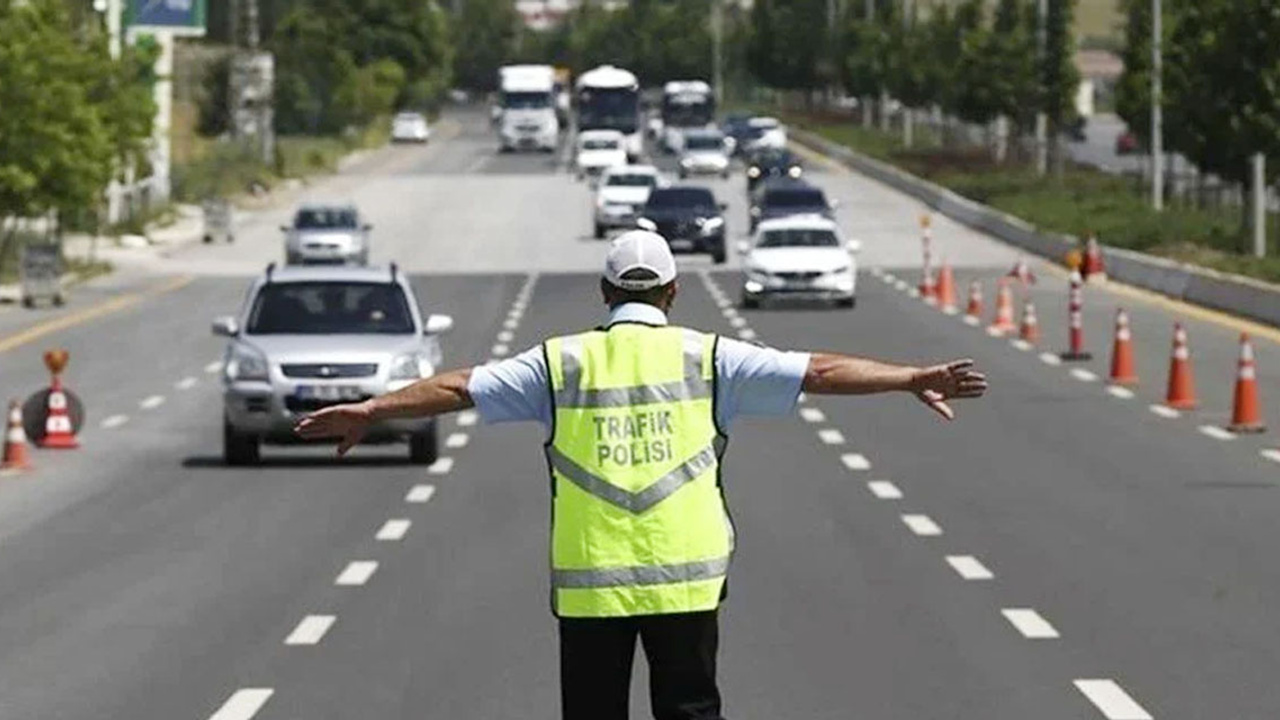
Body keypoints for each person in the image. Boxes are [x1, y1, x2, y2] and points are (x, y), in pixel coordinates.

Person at [295, 230, 988, 720]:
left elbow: (456, 388)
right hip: (687, 581)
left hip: (591, 588)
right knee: (691, 710)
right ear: (674, 292)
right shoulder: (711, 357)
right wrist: (909, 377)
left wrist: (373, 409)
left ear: (602, 292)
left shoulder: (559, 363)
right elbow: (820, 371)